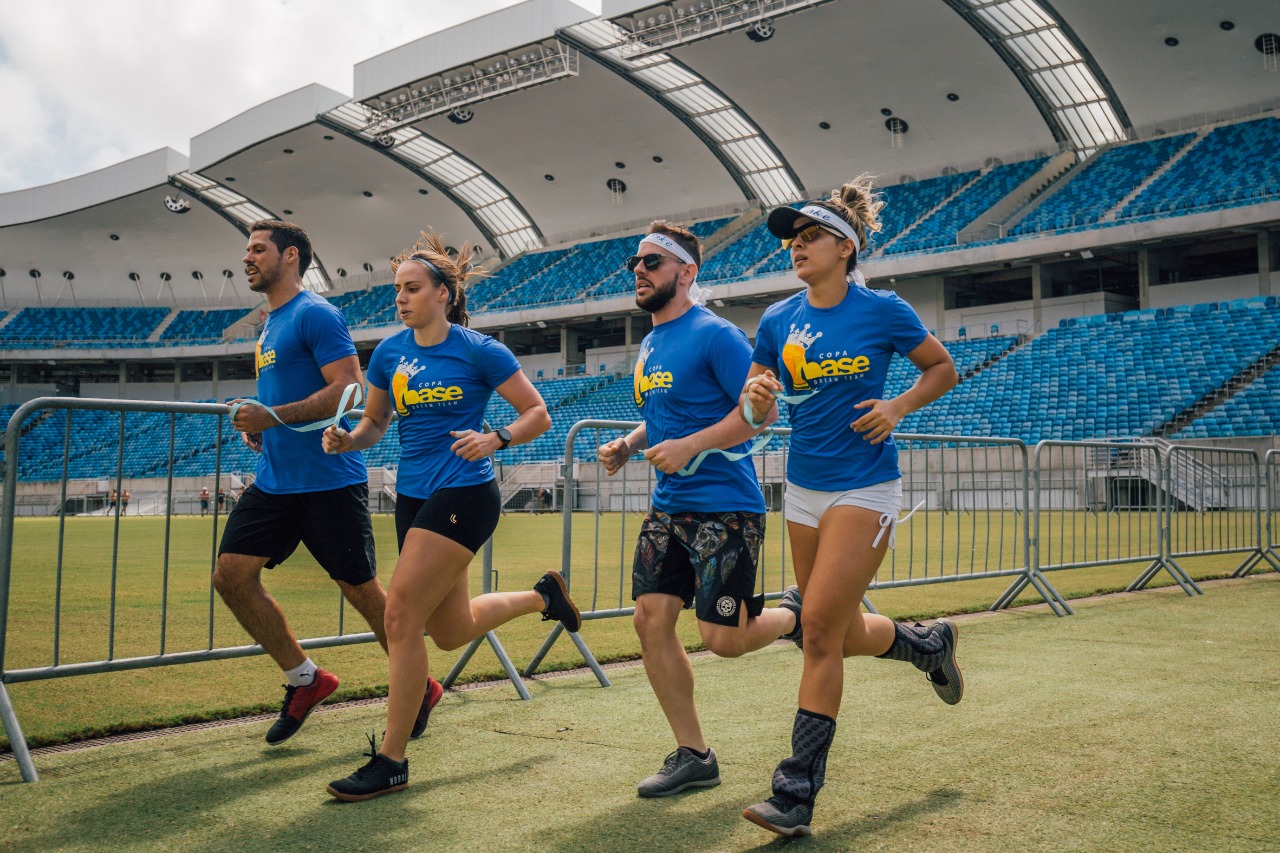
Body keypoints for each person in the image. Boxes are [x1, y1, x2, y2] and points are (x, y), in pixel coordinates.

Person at [739, 179, 961, 837]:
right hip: (802, 489)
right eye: (792, 239)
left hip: (864, 486)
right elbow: (760, 412)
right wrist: (755, 398)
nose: (795, 247)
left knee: (817, 633)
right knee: (830, 627)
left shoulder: (884, 311)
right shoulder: (777, 320)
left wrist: (896, 407)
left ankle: (795, 794)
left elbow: (941, 368)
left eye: (809, 237)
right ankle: (927, 645)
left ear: (844, 246)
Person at [323, 230, 578, 802]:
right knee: (450, 630)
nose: (401, 299)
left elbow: (537, 412)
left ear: (443, 292)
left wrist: (497, 438)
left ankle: (391, 759)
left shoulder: (480, 350)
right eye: (397, 291)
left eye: (412, 288)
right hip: (413, 498)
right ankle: (544, 597)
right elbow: (375, 424)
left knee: (400, 616)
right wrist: (347, 441)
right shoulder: (388, 353)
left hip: (465, 493)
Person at [216, 219, 442, 748]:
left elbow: (349, 390)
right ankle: (307, 680)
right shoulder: (269, 324)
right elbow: (289, 402)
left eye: (257, 249)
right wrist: (264, 431)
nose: (247, 258)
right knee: (231, 578)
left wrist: (271, 417)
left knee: (361, 591)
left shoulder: (316, 314)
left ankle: (422, 687)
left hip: (327, 481)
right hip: (276, 480)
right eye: (246, 250)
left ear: (290, 256)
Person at [596, 221, 802, 800]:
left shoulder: (718, 336)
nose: (639, 270)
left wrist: (692, 446)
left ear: (686, 272)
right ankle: (694, 754)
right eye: (635, 262)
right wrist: (629, 444)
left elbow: (757, 414)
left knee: (723, 640)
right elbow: (668, 415)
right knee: (649, 620)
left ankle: (795, 617)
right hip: (668, 511)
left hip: (724, 511)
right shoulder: (650, 343)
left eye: (653, 263)